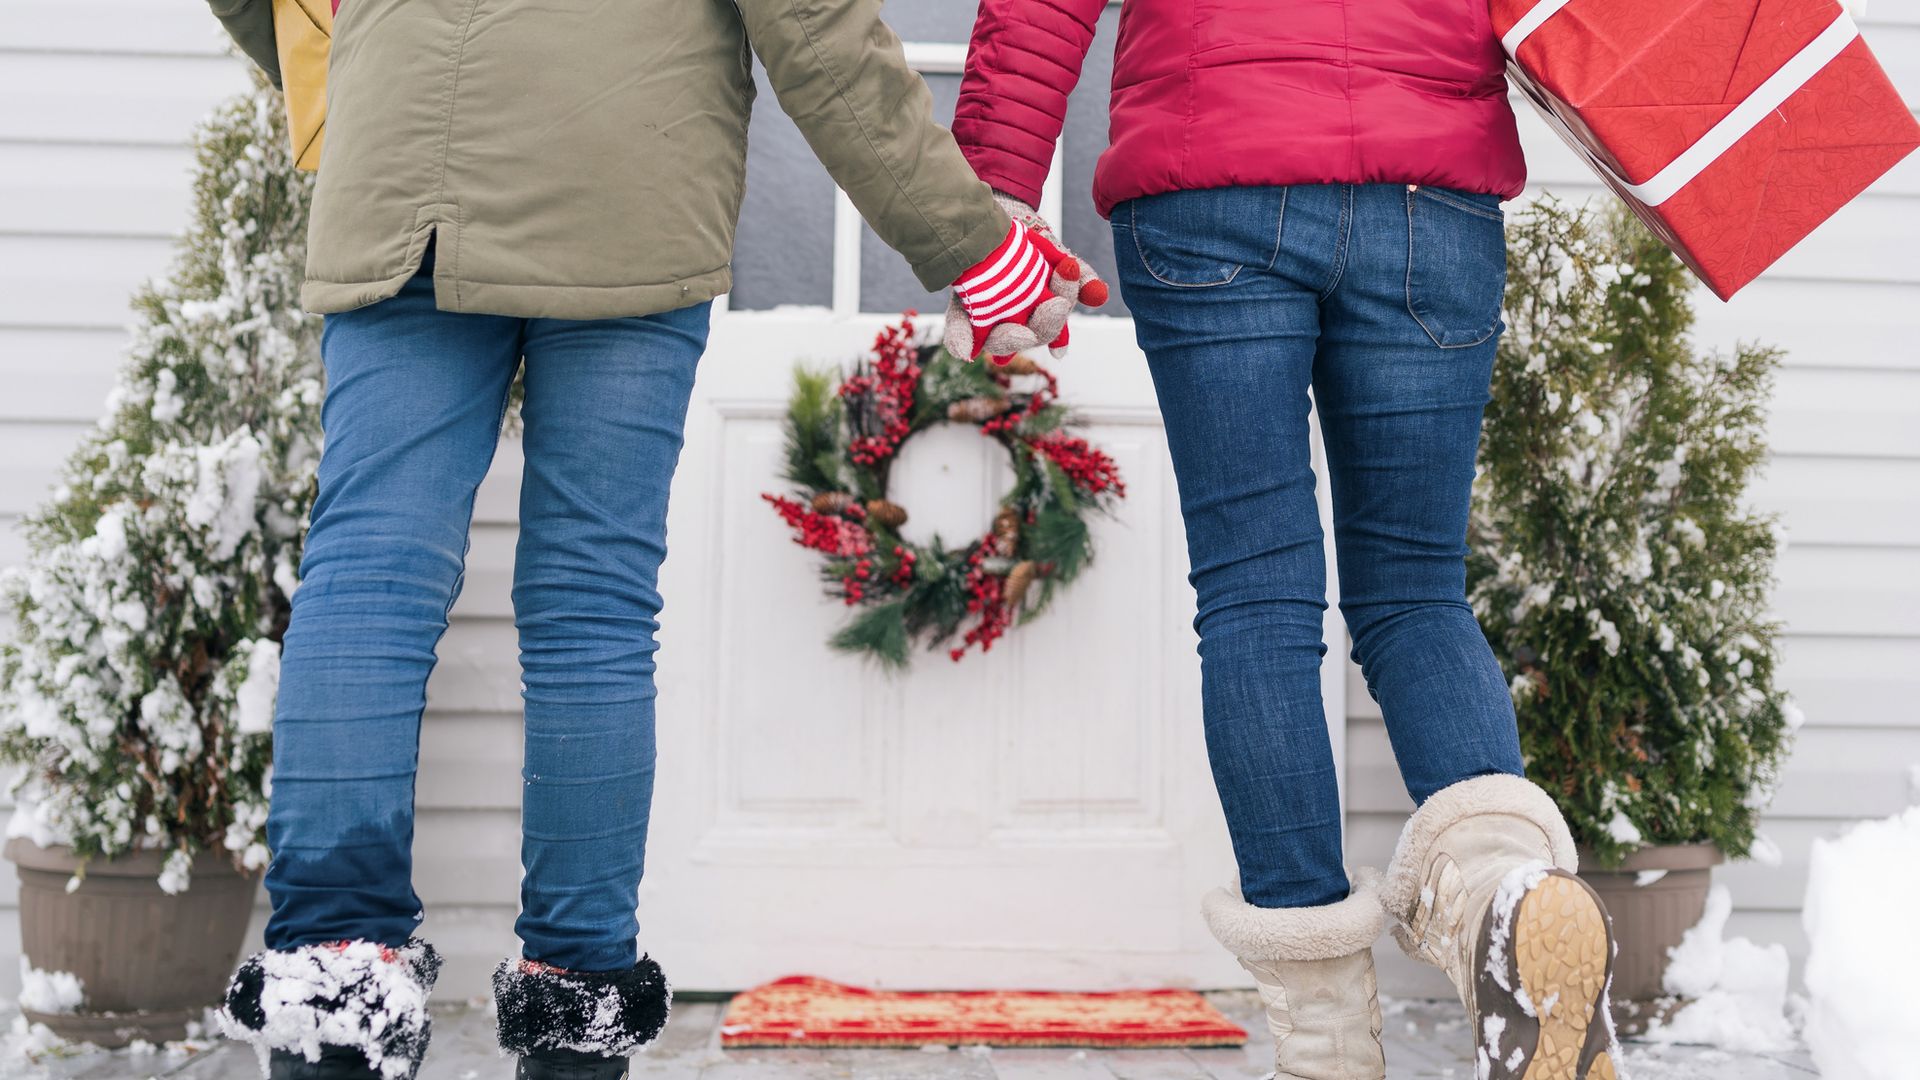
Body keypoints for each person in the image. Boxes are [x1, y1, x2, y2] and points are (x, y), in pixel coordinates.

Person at [197, 1, 1098, 1077]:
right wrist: (977, 247)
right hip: (628, 163)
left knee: (367, 577)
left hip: (406, 159)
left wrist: (365, 68)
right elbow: (812, 24)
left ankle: (330, 995)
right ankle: (575, 1017)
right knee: (590, 604)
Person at [950, 4, 1619, 1079]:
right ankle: (1506, 896)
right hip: (1426, 190)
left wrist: (991, 199)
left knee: (1256, 599)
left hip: (1210, 178)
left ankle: (1324, 1042)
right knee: (1415, 595)